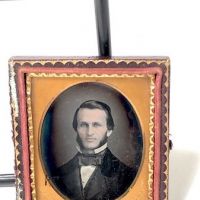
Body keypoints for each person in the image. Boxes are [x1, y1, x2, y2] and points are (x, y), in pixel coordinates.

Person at [53, 100, 137, 200]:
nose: (89, 132)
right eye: (83, 125)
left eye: (96, 125)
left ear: (109, 130)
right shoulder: (57, 173)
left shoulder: (128, 176)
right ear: (76, 129)